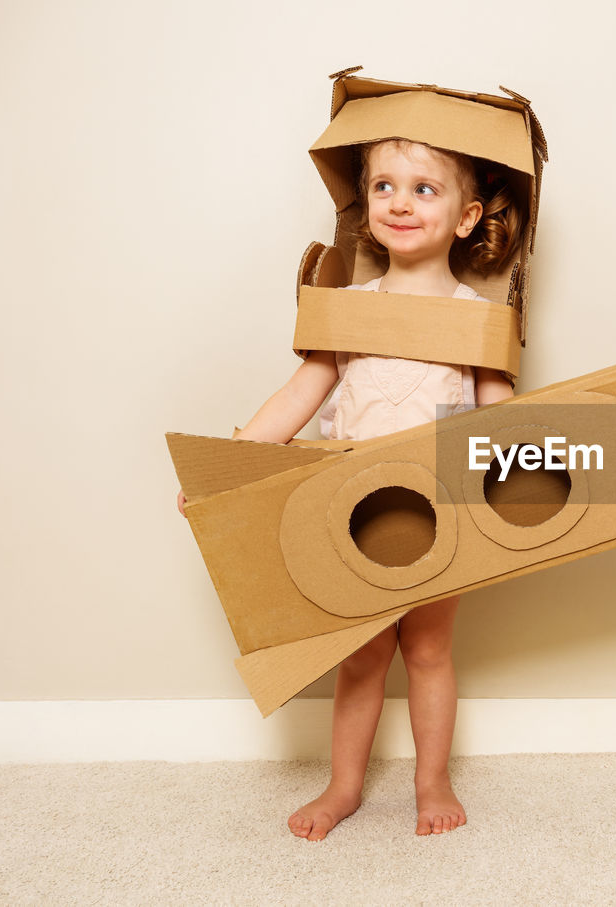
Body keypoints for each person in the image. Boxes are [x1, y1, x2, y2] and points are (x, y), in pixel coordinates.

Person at [177, 137, 524, 841]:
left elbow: (500, 421)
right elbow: (298, 395)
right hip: (355, 512)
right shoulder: (345, 307)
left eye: (424, 189)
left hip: (440, 514)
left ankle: (432, 779)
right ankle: (343, 785)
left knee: (427, 649)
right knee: (363, 653)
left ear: (466, 217)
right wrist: (224, 472)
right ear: (364, 207)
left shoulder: (477, 318)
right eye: (384, 187)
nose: (400, 201)